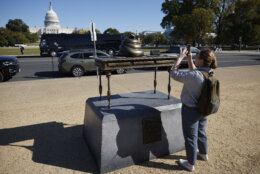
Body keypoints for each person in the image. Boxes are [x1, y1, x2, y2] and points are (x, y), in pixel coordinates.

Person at [171, 47, 218, 172]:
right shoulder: (210, 72)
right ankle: (203, 154)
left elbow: (173, 73)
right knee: (201, 131)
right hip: (204, 107)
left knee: (190, 137)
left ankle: (190, 164)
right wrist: (190, 59)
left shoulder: (194, 75)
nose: (195, 58)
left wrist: (180, 58)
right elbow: (196, 72)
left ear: (202, 60)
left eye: (197, 57)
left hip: (191, 110)